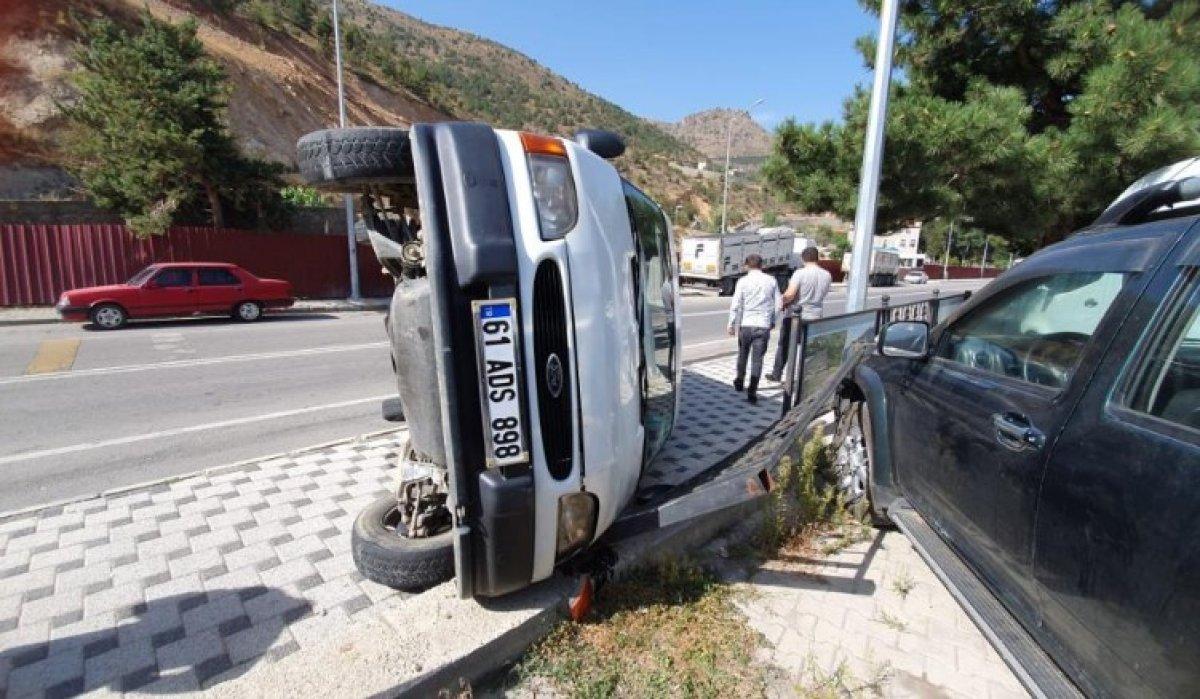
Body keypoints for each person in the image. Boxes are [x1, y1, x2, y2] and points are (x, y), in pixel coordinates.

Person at [767, 246, 833, 382]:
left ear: (803, 258)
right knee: (809, 347)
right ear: (817, 258)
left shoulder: (800, 273)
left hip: (796, 316)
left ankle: (777, 373)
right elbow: (825, 293)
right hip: (815, 315)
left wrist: (783, 301)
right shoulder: (826, 275)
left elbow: (790, 294)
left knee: (785, 345)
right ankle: (806, 376)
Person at [727, 254, 778, 403]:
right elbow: (778, 304)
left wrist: (731, 324)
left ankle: (739, 381)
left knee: (742, 354)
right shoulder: (771, 280)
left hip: (746, 324)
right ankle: (752, 391)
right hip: (763, 325)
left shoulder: (743, 281)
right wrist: (772, 320)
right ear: (762, 265)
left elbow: (735, 304)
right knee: (758, 360)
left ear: (747, 265)